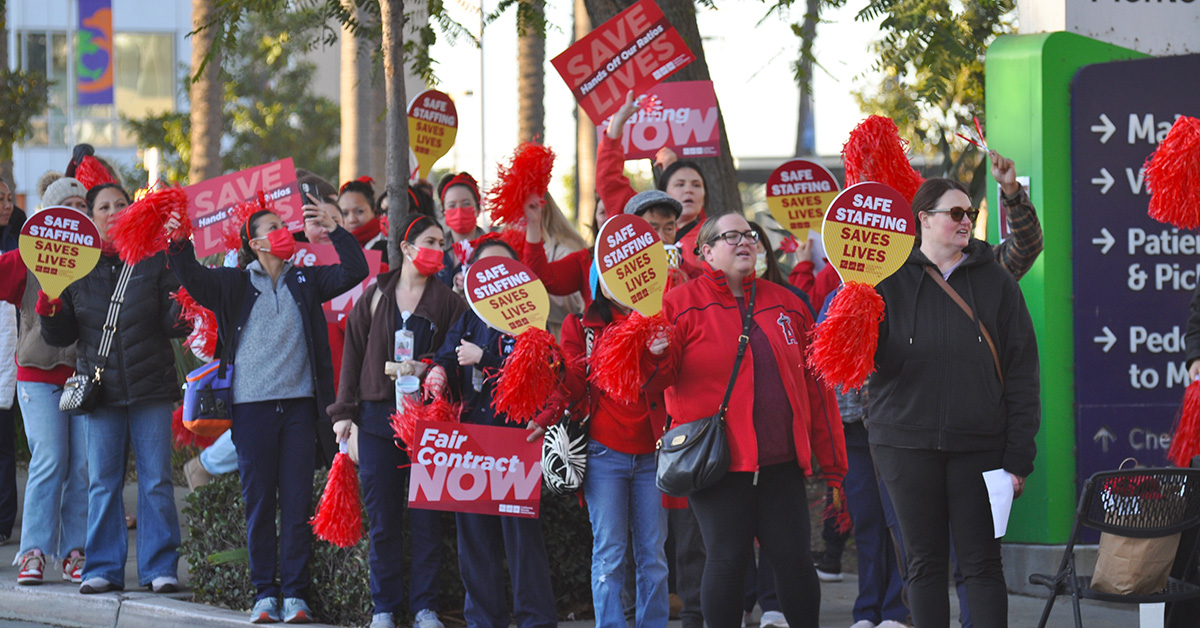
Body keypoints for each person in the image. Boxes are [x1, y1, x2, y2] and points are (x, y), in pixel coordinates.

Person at [643, 213, 848, 628]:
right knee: (726, 560)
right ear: (705, 251)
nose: (744, 242)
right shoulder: (678, 304)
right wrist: (655, 354)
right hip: (716, 465)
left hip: (781, 462)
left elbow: (817, 387)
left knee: (794, 561)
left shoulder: (788, 301)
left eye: (750, 236)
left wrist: (833, 464)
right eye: (730, 236)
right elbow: (655, 385)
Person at [168, 196, 365, 623]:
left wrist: (334, 226)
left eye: (283, 224)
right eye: (273, 226)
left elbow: (356, 270)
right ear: (255, 243)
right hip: (250, 411)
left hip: (299, 411)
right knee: (259, 503)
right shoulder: (233, 284)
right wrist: (179, 239)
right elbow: (193, 277)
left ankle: (295, 596)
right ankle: (264, 595)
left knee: (295, 504)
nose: (284, 231)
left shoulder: (306, 281)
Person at [867, 176, 1040, 628]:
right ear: (923, 219)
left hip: (981, 444)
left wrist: (1019, 454)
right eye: (955, 214)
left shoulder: (997, 281)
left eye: (969, 214)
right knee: (923, 565)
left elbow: (1023, 370)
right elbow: (861, 360)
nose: (966, 222)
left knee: (982, 564)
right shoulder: (884, 279)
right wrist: (852, 307)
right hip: (905, 443)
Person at [38, 182, 188, 594]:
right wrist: (49, 308)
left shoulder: (153, 259)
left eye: (121, 204)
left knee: (156, 480)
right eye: (103, 206)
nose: (114, 211)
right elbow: (60, 335)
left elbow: (173, 325)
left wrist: (187, 296)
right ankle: (101, 567)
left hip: (151, 388)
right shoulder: (76, 265)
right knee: (102, 482)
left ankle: (160, 567)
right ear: (90, 216)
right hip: (100, 393)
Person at [330, 212, 467, 628]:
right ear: (406, 249)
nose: (437, 250)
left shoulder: (448, 301)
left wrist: (429, 371)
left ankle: (425, 607)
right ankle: (384, 608)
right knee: (384, 518)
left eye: (442, 243)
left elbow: (455, 356)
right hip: (375, 418)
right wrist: (344, 413)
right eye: (429, 241)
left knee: (427, 517)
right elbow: (351, 354)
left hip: (428, 419)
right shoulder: (375, 294)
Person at [427, 239, 558, 628]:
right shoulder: (468, 318)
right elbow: (447, 355)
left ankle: (535, 619)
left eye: (503, 266)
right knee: (475, 538)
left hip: (517, 439)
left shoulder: (532, 320)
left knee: (521, 538)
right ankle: (484, 620)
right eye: (484, 268)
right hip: (471, 440)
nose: (494, 275)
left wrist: (487, 359)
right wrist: (437, 370)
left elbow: (541, 369)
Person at [559, 272, 670, 628]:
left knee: (653, 555)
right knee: (609, 554)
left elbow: (672, 378)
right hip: (604, 454)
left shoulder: (660, 319)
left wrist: (656, 356)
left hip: (654, 455)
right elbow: (573, 389)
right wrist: (553, 367)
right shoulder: (580, 327)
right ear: (599, 282)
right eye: (610, 274)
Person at [1, 176, 88, 583]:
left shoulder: (97, 253)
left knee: (83, 466)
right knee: (50, 459)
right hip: (36, 373)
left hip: (86, 376)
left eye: (83, 205)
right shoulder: (29, 252)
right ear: (50, 213)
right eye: (67, 204)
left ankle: (75, 551)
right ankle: (33, 551)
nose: (78, 211)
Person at [0, 178, 20, 548]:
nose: (6, 205)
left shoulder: (20, 244)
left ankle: (3, 522)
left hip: (8, 360)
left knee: (4, 446)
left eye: (7, 199)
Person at [339, 177, 387, 259]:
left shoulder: (388, 241)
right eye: (345, 214)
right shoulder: (334, 245)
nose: (352, 220)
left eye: (359, 211)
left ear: (374, 210)